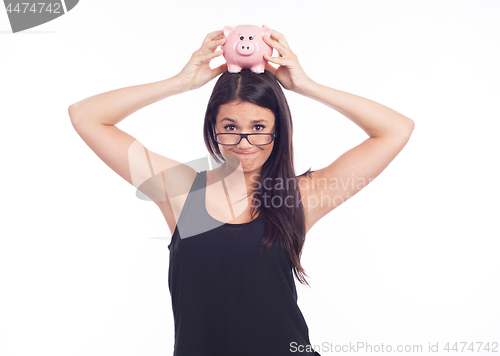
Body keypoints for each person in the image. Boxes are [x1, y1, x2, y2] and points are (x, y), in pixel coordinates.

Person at [68, 26, 414, 356]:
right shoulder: (181, 191)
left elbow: (396, 130)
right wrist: (181, 82)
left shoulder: (300, 196)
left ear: (278, 130)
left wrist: (306, 86)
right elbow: (86, 116)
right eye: (230, 127)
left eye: (259, 127)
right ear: (213, 128)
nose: (245, 142)